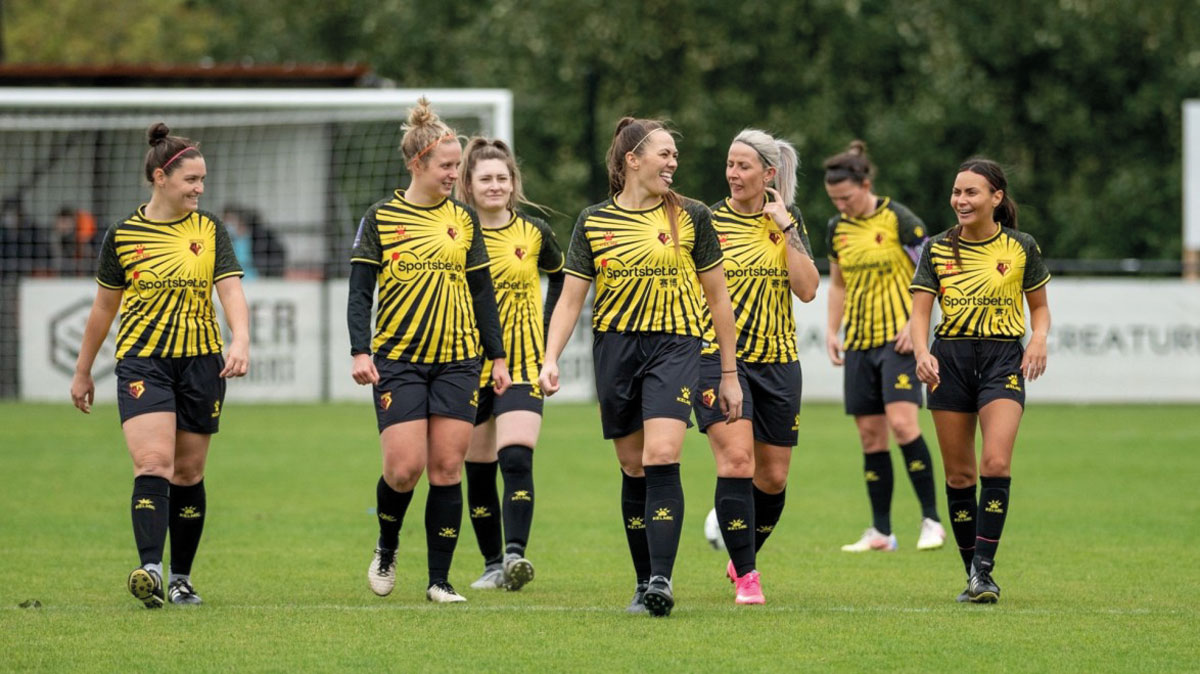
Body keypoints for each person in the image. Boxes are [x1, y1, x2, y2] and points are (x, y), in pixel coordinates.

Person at [539, 117, 743, 617]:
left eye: (675, 155)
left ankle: (661, 580)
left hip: (676, 346)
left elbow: (719, 299)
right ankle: (641, 582)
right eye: (664, 154)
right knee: (632, 466)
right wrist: (549, 358)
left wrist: (729, 374)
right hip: (616, 349)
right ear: (633, 160)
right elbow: (570, 301)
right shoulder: (593, 222)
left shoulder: (693, 216)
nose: (673, 163)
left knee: (662, 454)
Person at [69, 122, 250, 609]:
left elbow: (231, 290)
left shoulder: (209, 229)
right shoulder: (123, 235)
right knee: (152, 463)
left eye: (202, 179)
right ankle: (150, 569)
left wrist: (240, 340)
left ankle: (180, 579)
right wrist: (83, 370)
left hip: (201, 363)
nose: (199, 188)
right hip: (143, 363)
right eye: (191, 179)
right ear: (160, 178)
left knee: (188, 473)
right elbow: (103, 307)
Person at [349, 98, 512, 604]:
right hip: (398, 362)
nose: (454, 174)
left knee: (446, 469)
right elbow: (360, 292)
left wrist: (497, 357)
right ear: (418, 163)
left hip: (459, 361)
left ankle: (439, 581)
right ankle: (387, 545)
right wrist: (359, 351)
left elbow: (482, 293)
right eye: (446, 165)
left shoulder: (463, 220)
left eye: (457, 165)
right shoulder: (380, 217)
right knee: (404, 469)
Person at [909, 158, 1050, 603]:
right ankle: (972, 572)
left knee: (995, 463)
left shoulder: (1021, 246)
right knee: (959, 475)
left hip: (1002, 360)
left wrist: (1038, 338)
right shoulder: (936, 248)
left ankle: (984, 571)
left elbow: (1040, 308)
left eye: (971, 192)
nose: (961, 200)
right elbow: (919, 312)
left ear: (996, 198)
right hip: (948, 361)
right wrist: (921, 352)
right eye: (957, 192)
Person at [692, 129, 819, 605]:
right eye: (730, 164)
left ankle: (740, 554)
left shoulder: (787, 222)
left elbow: (807, 289)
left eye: (743, 166)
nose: (732, 173)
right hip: (718, 358)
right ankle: (748, 577)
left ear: (769, 173)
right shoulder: (706, 221)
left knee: (773, 478)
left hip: (779, 361)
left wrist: (786, 227)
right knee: (737, 462)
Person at [822, 141, 946, 553]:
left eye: (847, 197)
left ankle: (931, 520)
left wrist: (916, 325)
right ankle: (881, 532)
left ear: (865, 185)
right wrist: (832, 331)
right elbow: (838, 284)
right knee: (871, 438)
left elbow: (932, 276)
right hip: (859, 343)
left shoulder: (901, 220)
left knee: (904, 425)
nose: (841, 206)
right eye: (835, 200)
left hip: (899, 342)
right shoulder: (837, 228)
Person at [453, 138, 564, 592]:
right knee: (478, 469)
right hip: (466, 366)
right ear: (468, 184)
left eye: (502, 177)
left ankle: (516, 555)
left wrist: (547, 332)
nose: (495, 186)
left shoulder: (535, 232)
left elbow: (563, 279)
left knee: (516, 456)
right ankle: (492, 564)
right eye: (486, 179)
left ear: (513, 182)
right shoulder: (456, 233)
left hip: (522, 365)